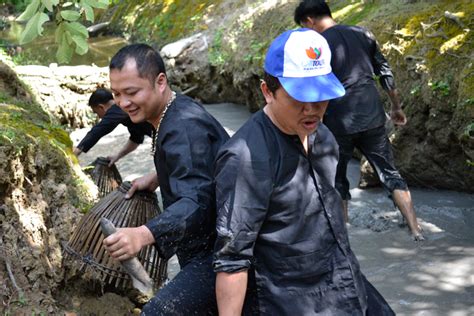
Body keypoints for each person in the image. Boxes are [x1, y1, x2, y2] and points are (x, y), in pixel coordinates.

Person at [213, 28, 394, 315]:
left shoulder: (324, 136)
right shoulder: (246, 157)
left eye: (320, 97)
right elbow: (232, 259)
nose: (312, 110)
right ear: (267, 91)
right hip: (290, 298)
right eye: (299, 98)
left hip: (345, 282)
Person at [102, 44, 229, 314]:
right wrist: (159, 176)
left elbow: (197, 201)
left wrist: (143, 234)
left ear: (160, 82)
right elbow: (201, 168)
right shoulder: (173, 111)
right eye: (116, 94)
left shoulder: (183, 127)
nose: (123, 103)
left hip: (222, 250)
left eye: (132, 92)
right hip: (205, 243)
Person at [294, 0, 424, 240]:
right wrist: (396, 107)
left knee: (337, 178)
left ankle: (345, 233)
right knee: (390, 173)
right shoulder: (363, 33)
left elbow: (313, 86)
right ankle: (416, 230)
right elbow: (384, 72)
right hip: (372, 115)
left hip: (337, 121)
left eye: (304, 26)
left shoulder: (317, 45)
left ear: (310, 21)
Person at [73, 88, 153, 166]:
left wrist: (76, 151)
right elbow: (136, 139)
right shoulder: (127, 113)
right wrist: (117, 156)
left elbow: (98, 131)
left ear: (101, 107)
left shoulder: (117, 109)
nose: (99, 117)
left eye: (96, 113)